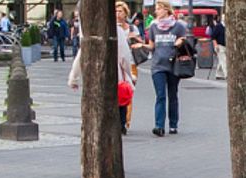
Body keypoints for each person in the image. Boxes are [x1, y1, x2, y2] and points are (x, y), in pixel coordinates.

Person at [68, 1, 134, 135]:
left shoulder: (86, 33)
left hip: (92, 76)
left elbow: (81, 55)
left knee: (95, 103)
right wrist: (129, 75)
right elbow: (125, 57)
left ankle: (96, 126)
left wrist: (73, 78)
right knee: (116, 101)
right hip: (113, 74)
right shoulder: (117, 30)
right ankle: (118, 125)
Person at [140, 0, 187, 137]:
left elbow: (184, 40)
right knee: (160, 95)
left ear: (166, 10)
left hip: (173, 65)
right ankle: (159, 126)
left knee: (172, 94)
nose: (157, 11)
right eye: (156, 9)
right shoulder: (154, 26)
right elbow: (152, 46)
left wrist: (180, 41)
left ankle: (173, 124)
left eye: (159, 9)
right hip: (158, 65)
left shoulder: (178, 26)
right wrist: (141, 45)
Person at [208, 13, 226, 80]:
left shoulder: (228, 27)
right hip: (220, 45)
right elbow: (213, 37)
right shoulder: (218, 26)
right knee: (224, 60)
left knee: (221, 61)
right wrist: (215, 45)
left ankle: (219, 74)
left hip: (227, 46)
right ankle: (227, 74)